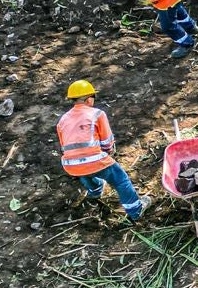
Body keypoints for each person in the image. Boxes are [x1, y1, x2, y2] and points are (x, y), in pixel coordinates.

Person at [57, 80, 150, 220]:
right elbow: (107, 141)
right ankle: (136, 210)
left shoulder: (63, 119)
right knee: (120, 180)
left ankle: (95, 191)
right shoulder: (97, 114)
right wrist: (108, 151)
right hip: (93, 160)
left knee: (84, 170)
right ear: (89, 99)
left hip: (70, 164)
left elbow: (65, 145)